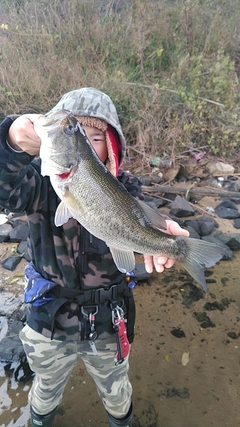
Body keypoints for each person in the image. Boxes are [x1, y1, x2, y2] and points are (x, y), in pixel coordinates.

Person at [0, 87, 189, 427]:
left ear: (111, 146)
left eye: (95, 136)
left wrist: (164, 236)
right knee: (45, 389)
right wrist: (11, 142)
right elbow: (5, 185)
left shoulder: (127, 187)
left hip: (108, 322)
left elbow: (141, 217)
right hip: (49, 322)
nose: (85, 139)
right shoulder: (40, 184)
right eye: (78, 132)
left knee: (117, 391)